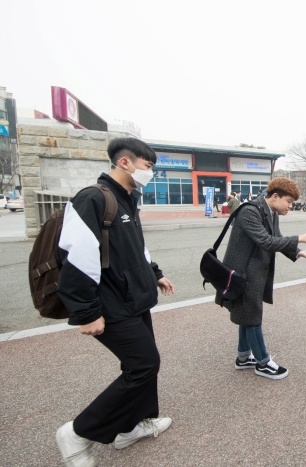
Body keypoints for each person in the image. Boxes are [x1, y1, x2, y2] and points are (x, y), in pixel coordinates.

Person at [55, 138, 176, 466]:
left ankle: (132, 426)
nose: (151, 172)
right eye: (148, 166)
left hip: (135, 298)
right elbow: (75, 258)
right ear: (125, 163)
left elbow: (135, 248)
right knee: (144, 364)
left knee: (142, 364)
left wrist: (155, 274)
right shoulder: (94, 199)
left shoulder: (127, 199)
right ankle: (78, 433)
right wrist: (86, 312)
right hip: (110, 303)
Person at [215, 177, 306, 380]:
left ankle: (243, 357)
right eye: (289, 201)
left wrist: (299, 252)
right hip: (243, 273)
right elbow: (266, 241)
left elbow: (277, 237)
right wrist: (300, 237)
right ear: (275, 196)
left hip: (253, 272)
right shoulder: (249, 211)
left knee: (246, 314)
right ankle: (263, 363)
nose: (291, 206)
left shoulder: (271, 211)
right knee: (252, 316)